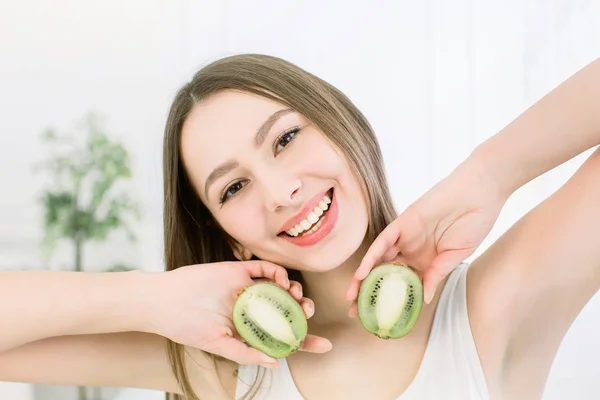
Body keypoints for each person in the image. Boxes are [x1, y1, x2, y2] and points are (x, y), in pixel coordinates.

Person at [1, 53, 599, 400]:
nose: (282, 192)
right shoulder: (227, 365)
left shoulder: (490, 312)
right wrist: (149, 296)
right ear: (226, 233)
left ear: (345, 129)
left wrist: (489, 174)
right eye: (233, 188)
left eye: (286, 138)